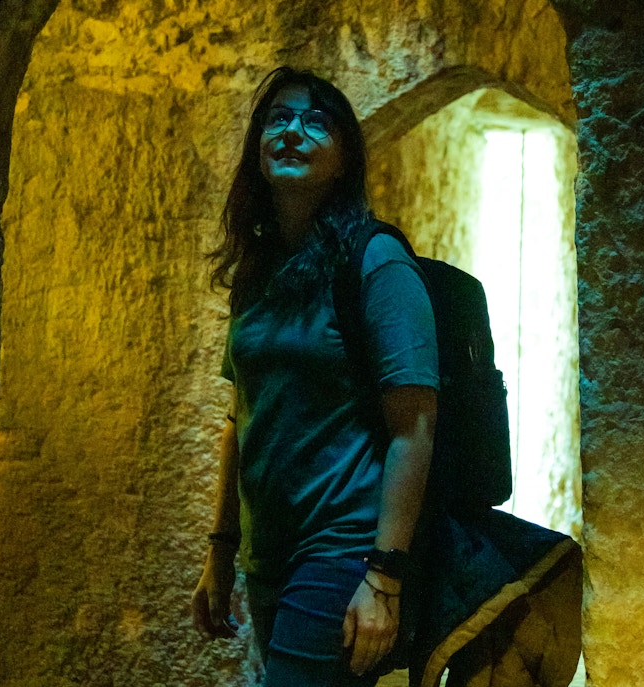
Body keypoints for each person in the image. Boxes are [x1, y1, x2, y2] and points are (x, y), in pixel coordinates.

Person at [191, 66, 440, 687]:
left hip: (343, 550)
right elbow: (241, 417)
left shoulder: (376, 260)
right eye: (278, 119)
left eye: (314, 122)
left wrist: (384, 576)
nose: (291, 131)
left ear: (343, 158)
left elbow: (414, 426)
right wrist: (221, 550)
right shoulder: (258, 273)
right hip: (267, 557)